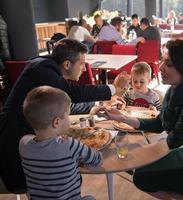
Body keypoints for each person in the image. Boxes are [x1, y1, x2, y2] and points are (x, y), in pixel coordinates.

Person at [97, 40, 183, 198]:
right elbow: (158, 124)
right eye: (162, 60)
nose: (160, 67)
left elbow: (172, 142)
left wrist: (135, 159)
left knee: (142, 177)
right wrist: (122, 117)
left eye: (168, 64)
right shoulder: (180, 89)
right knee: (142, 172)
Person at [0, 38, 130, 191]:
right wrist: (114, 88)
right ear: (67, 64)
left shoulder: (46, 65)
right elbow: (71, 93)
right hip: (16, 139)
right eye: (81, 63)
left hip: (31, 131)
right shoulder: (42, 70)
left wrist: (98, 105)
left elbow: (65, 102)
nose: (84, 68)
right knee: (39, 185)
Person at [20, 86, 102, 200]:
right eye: (67, 115)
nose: (69, 119)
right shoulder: (69, 145)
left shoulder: (23, 144)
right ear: (57, 122)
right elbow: (96, 159)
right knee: (90, 198)